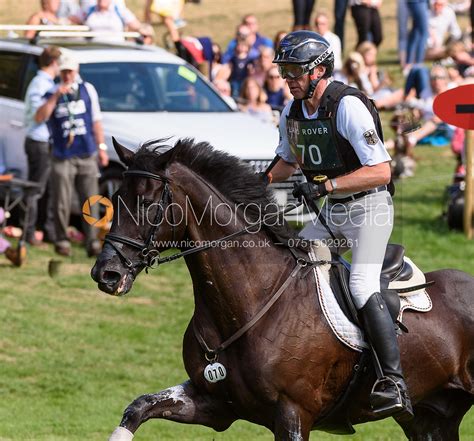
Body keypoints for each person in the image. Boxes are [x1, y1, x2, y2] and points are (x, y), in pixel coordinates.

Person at [268, 30, 413, 421]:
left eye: (295, 69)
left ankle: (393, 382)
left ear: (319, 70)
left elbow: (381, 171)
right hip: (333, 213)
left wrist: (324, 185)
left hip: (370, 209)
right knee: (293, 266)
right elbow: (284, 164)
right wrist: (251, 190)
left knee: (361, 284)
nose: (288, 77)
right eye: (285, 70)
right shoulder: (292, 112)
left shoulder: (347, 107)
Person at [35, 51, 109, 257]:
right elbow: (39, 117)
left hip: (86, 152)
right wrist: (56, 96)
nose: (67, 76)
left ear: (77, 71)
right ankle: (61, 240)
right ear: (60, 71)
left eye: (71, 71)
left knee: (90, 199)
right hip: (62, 154)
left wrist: (101, 147)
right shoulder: (51, 91)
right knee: (61, 201)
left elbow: (96, 120)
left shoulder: (87, 90)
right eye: (64, 71)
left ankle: (92, 241)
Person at [23, 46, 62, 246]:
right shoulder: (40, 84)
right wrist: (55, 95)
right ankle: (28, 233)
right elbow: (40, 116)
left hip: (44, 141)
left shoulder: (45, 82)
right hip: (38, 141)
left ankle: (42, 231)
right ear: (54, 63)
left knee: (45, 190)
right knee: (35, 190)